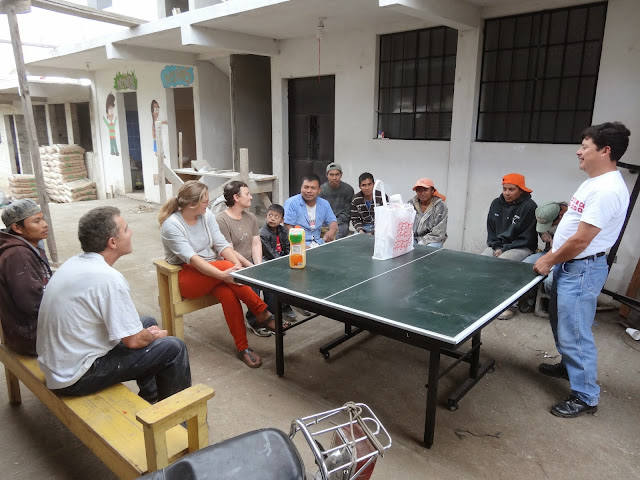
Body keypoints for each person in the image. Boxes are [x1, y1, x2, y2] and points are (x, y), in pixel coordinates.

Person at [37, 207, 190, 403]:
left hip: (59, 364)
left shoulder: (75, 263)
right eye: (126, 229)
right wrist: (153, 336)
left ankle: (151, 396)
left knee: (147, 322)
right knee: (174, 347)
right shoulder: (108, 279)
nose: (131, 232)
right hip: (75, 376)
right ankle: (176, 417)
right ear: (112, 242)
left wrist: (147, 334)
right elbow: (134, 341)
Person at [534, 122, 630, 418]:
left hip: (581, 269)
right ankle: (569, 366)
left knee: (575, 333)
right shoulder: (593, 182)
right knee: (562, 325)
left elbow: (581, 240)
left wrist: (549, 259)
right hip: (569, 266)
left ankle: (586, 396)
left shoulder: (606, 190)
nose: (579, 152)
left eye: (585, 147)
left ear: (605, 151)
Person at [159, 180, 277, 368]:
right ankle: (262, 313)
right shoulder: (171, 225)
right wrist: (224, 274)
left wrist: (237, 266)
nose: (209, 203)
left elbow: (221, 244)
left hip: (213, 272)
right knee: (225, 266)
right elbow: (193, 259)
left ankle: (243, 348)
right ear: (192, 204)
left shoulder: (206, 215)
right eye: (205, 200)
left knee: (228, 294)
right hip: (187, 276)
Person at [216, 182, 295, 337]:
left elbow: (256, 243)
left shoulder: (251, 217)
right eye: (247, 194)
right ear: (236, 197)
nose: (251, 197)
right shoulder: (221, 220)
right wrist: (251, 267)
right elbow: (229, 250)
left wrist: (259, 265)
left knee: (270, 277)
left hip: (252, 261)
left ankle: (270, 316)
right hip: (233, 263)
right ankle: (254, 320)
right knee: (253, 283)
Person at [0, 199, 51, 355]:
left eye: (42, 219)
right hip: (32, 338)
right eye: (37, 221)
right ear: (17, 228)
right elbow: (31, 304)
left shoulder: (29, 247)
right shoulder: (18, 255)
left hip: (28, 333)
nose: (45, 224)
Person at [482, 173, 538, 261]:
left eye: (511, 189)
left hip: (521, 247)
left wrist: (504, 249)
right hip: (497, 246)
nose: (507, 193)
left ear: (521, 191)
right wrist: (497, 247)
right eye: (504, 189)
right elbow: (491, 232)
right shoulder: (496, 203)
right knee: (483, 259)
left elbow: (527, 238)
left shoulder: (529, 206)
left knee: (503, 261)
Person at [284, 173, 337, 246]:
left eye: (313, 188)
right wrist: (301, 245)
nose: (309, 191)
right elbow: (287, 227)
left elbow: (332, 221)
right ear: (301, 188)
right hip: (297, 244)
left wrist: (332, 231)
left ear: (319, 190)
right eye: (306, 187)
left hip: (318, 242)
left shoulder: (324, 204)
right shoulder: (292, 203)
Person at [319, 163, 354, 239]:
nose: (334, 178)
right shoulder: (321, 190)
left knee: (336, 237)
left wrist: (334, 224)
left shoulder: (348, 190)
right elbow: (320, 212)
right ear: (327, 175)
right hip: (324, 223)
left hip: (341, 223)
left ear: (341, 175)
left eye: (337, 174)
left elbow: (347, 213)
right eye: (331, 175)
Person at [410, 178, 448, 247]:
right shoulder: (411, 204)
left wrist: (423, 242)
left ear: (432, 191)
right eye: (419, 190)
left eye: (426, 190)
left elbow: (438, 232)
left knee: (428, 250)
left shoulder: (440, 206)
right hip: (415, 238)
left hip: (433, 239)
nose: (422, 193)